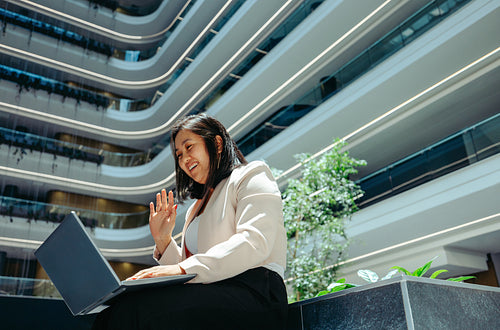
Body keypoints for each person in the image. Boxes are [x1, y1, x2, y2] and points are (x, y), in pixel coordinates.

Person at [92, 114, 288, 329]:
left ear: (217, 143)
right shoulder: (195, 209)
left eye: (189, 147)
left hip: (256, 293)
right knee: (114, 312)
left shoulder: (251, 175)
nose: (184, 159)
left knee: (139, 310)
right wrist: (163, 240)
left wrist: (182, 270)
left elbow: (255, 242)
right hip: (212, 292)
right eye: (178, 155)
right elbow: (193, 268)